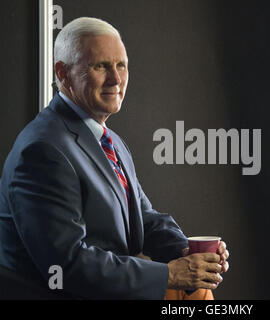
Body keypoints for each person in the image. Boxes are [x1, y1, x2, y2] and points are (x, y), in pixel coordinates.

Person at [0, 17, 229, 300]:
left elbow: (144, 218)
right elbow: (65, 265)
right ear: (63, 73)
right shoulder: (42, 150)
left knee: (198, 290)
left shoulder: (108, 140)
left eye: (121, 65)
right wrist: (171, 274)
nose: (116, 79)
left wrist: (185, 252)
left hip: (112, 287)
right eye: (101, 66)